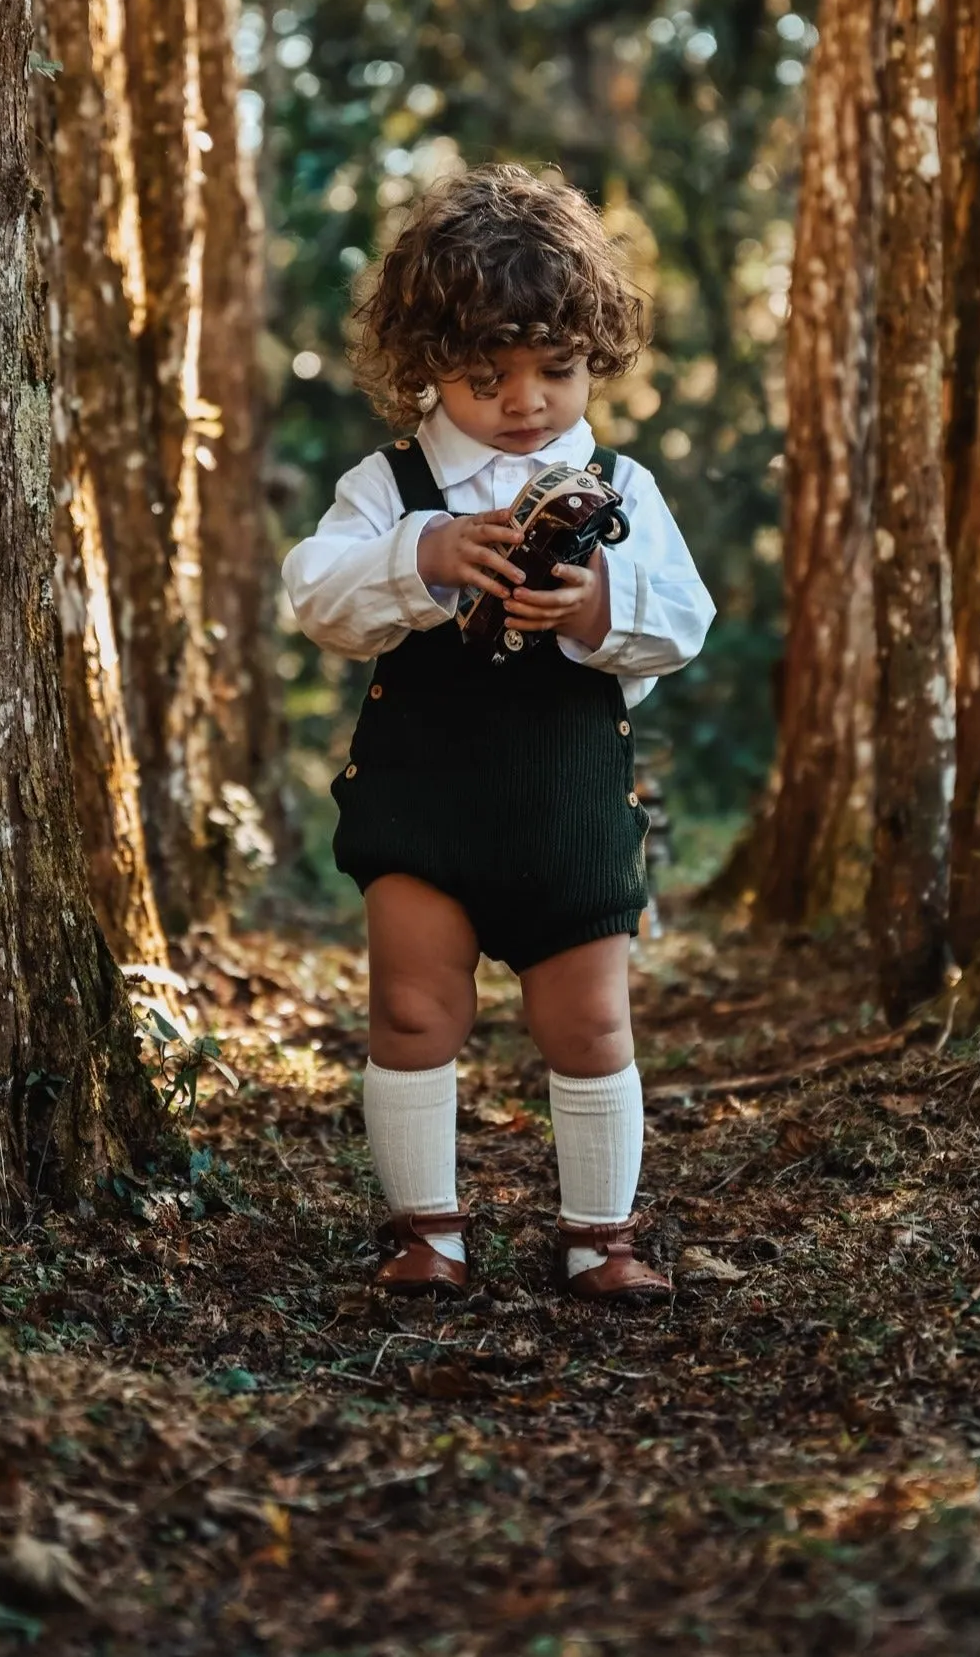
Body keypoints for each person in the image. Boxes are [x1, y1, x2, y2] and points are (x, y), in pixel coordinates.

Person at [282, 164, 715, 1304]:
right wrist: (420, 556)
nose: (526, 401)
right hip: (423, 792)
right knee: (413, 1004)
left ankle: (599, 1233)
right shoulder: (392, 483)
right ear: (428, 365)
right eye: (489, 375)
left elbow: (685, 619)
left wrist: (594, 608)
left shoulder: (621, 483)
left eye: (556, 370)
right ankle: (426, 1228)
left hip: (569, 794)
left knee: (588, 1016)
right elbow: (316, 594)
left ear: (592, 357)